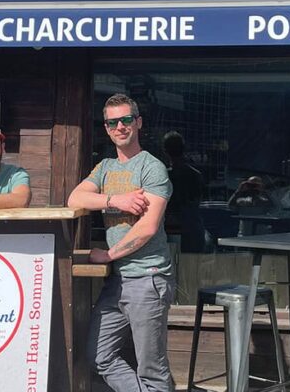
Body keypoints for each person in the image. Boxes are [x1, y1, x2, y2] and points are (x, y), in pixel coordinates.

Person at [68, 94, 175, 392]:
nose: (120, 127)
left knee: (152, 369)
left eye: (127, 120)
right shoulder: (105, 168)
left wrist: (110, 254)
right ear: (106, 128)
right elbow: (74, 198)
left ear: (138, 123)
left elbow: (148, 227)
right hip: (117, 281)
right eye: (113, 122)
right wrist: (119, 200)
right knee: (99, 355)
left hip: (148, 278)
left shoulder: (152, 168)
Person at [162, 130, 207, 252]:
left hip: (170, 226)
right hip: (192, 225)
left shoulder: (163, 176)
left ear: (165, 151)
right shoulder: (196, 174)